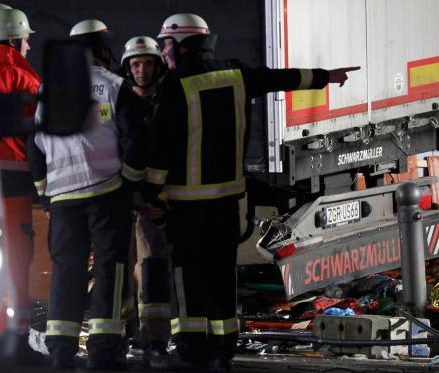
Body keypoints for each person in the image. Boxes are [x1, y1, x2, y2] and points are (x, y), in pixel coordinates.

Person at [145, 13, 359, 372]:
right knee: (221, 276)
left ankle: (192, 350)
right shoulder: (235, 75)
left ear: (182, 46)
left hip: (186, 207)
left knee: (189, 279)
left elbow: (161, 147)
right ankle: (224, 350)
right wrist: (326, 77)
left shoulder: (175, 85)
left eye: (166, 44)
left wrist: (151, 195)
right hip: (228, 204)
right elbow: (278, 79)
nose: (163, 52)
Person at [27, 19, 146, 370]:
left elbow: (34, 149)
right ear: (104, 51)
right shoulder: (114, 86)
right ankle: (103, 350)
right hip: (107, 193)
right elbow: (135, 141)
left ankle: (61, 352)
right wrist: (131, 181)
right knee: (110, 268)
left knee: (67, 269)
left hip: (63, 199)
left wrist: (45, 194)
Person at [0, 5, 44, 365]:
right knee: (16, 257)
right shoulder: (21, 75)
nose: (27, 47)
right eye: (25, 41)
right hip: (12, 178)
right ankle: (17, 340)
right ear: (14, 39)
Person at [119, 35, 173, 368]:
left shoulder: (167, 103)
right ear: (128, 67)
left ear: (157, 66)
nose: (141, 70)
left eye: (148, 63)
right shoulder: (122, 103)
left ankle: (154, 338)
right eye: (136, 64)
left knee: (152, 269)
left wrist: (157, 198)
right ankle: (126, 334)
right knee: (123, 271)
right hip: (124, 201)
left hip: (156, 202)